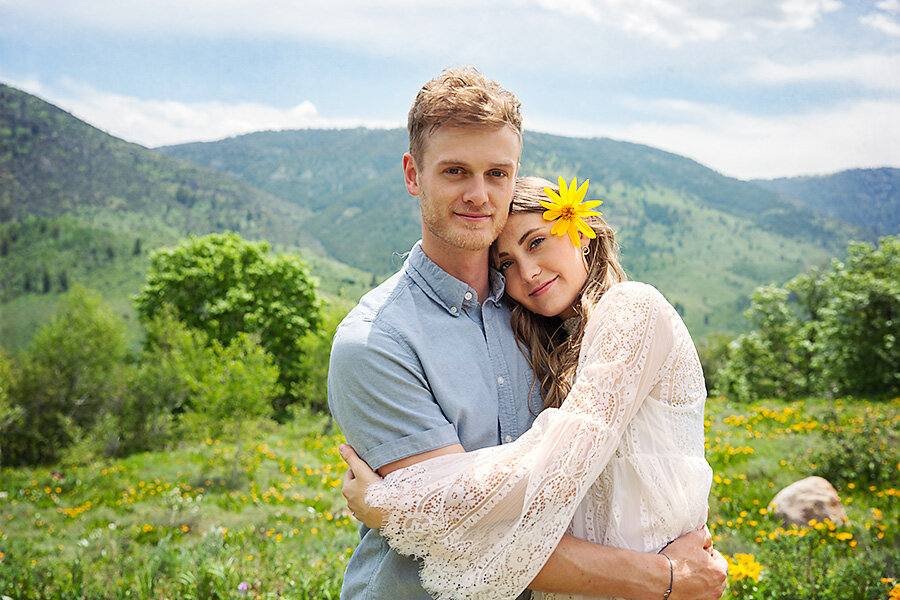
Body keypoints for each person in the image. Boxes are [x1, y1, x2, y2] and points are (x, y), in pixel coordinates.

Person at [327, 66, 727, 600]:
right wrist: (666, 579)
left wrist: (393, 507)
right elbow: (467, 534)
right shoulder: (377, 343)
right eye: (454, 172)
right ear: (413, 175)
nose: (479, 194)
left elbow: (575, 469)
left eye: (497, 173)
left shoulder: (544, 317)